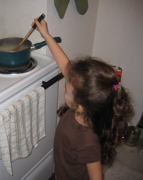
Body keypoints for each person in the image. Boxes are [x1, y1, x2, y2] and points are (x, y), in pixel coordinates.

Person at [33, 18, 133, 180]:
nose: (65, 86)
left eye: (67, 89)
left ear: (80, 105)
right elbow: (65, 64)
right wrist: (45, 34)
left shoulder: (87, 141)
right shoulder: (85, 101)